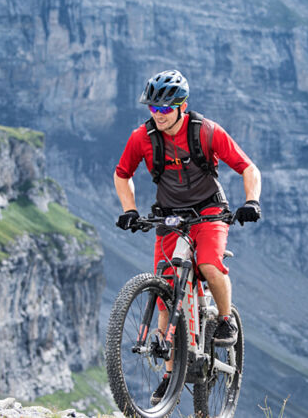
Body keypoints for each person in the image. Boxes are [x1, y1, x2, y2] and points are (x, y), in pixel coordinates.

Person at [112, 69, 261, 403]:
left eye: (165, 109)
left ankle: (224, 321)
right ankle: (170, 375)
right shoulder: (143, 137)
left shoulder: (206, 132)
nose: (158, 115)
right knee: (166, 294)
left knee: (208, 264)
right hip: (169, 216)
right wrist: (130, 209)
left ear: (182, 106)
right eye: (153, 109)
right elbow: (122, 175)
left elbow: (248, 168)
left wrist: (251, 201)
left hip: (210, 212)